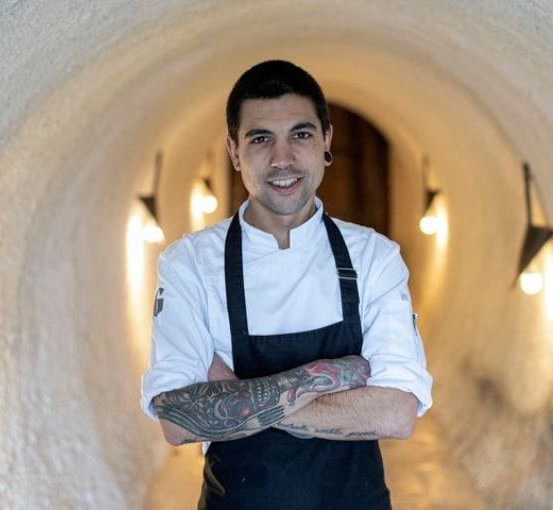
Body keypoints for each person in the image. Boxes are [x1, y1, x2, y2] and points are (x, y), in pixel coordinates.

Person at [141, 60, 433, 510]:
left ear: (326, 141)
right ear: (234, 152)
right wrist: (340, 376)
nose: (282, 159)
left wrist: (238, 393)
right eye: (260, 139)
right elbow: (179, 419)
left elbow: (396, 413)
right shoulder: (190, 264)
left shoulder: (374, 257)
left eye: (301, 134)